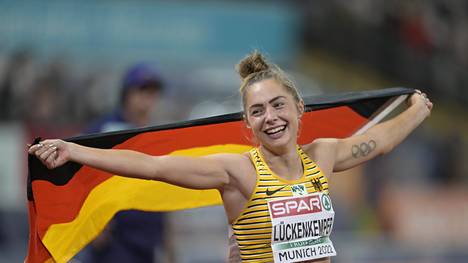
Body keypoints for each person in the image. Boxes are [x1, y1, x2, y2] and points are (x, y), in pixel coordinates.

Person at [29, 51, 433, 263]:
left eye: (278, 106)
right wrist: (74, 150)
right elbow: (154, 166)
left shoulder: (323, 155)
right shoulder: (238, 170)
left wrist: (418, 108)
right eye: (258, 111)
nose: (270, 118)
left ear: (298, 109)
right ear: (248, 124)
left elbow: (379, 142)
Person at [79, 63, 167, 263]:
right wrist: (90, 224)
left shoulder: (158, 134)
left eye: (153, 91)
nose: (148, 97)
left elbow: (167, 188)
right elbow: (80, 178)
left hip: (148, 237)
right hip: (113, 240)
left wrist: (169, 243)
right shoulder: (103, 130)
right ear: (126, 93)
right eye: (142, 89)